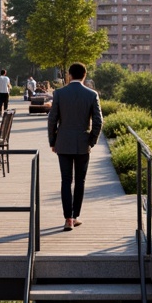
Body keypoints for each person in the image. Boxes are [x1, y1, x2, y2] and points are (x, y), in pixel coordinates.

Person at [47, 62, 103, 232]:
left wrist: (53, 141)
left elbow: (52, 120)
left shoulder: (59, 93)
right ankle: (75, 216)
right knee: (80, 181)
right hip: (82, 144)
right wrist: (91, 140)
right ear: (84, 75)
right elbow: (98, 122)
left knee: (65, 180)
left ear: (69, 75)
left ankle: (68, 218)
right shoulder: (92, 95)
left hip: (63, 143)